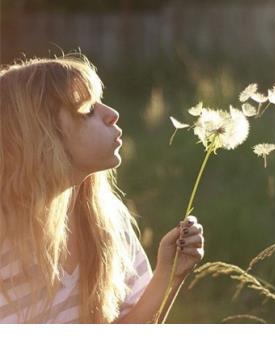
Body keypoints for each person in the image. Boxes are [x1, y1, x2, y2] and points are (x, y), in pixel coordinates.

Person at [0, 53, 205, 323]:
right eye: (87, 111)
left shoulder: (107, 222)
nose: (112, 114)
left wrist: (169, 275)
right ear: (42, 135)